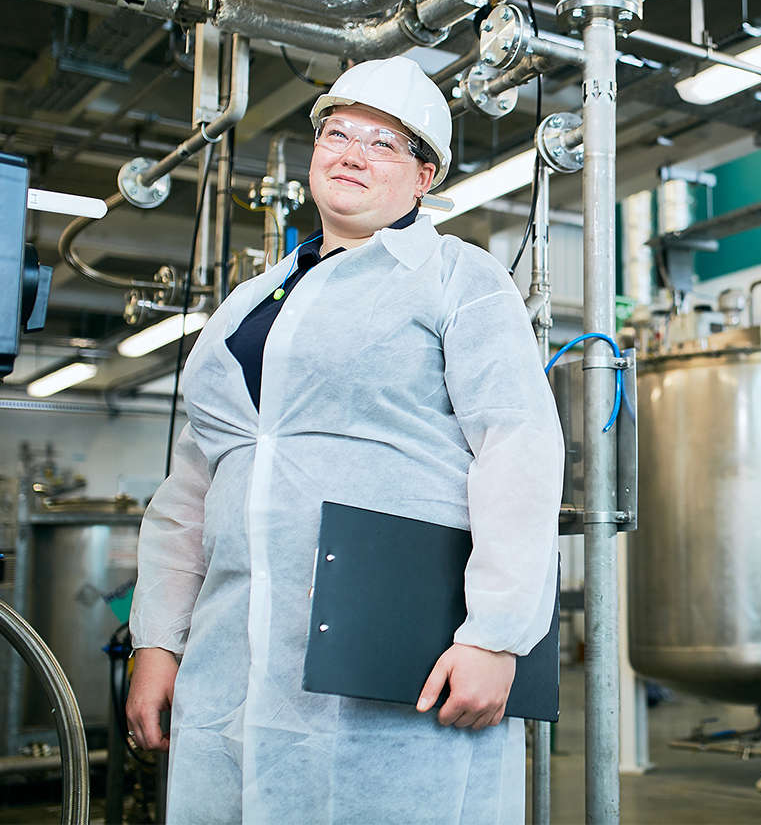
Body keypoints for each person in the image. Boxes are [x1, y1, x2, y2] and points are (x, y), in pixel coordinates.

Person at [126, 56, 563, 823]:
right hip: (232, 666)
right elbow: (189, 488)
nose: (352, 153)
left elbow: (517, 448)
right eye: (337, 133)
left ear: (424, 177)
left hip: (395, 663)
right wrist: (158, 640)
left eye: (384, 144)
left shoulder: (458, 277)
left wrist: (496, 635)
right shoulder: (243, 306)